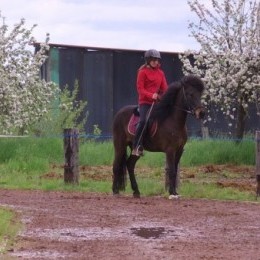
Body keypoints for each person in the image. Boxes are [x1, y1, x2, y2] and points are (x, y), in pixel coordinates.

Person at [132, 49, 168, 156]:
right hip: (145, 102)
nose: (156, 62)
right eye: (153, 60)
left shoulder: (160, 73)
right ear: (148, 60)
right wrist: (151, 95)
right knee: (143, 121)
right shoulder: (142, 72)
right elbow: (140, 89)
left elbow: (165, 88)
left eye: (157, 60)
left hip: (157, 102)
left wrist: (166, 96)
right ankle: (136, 146)